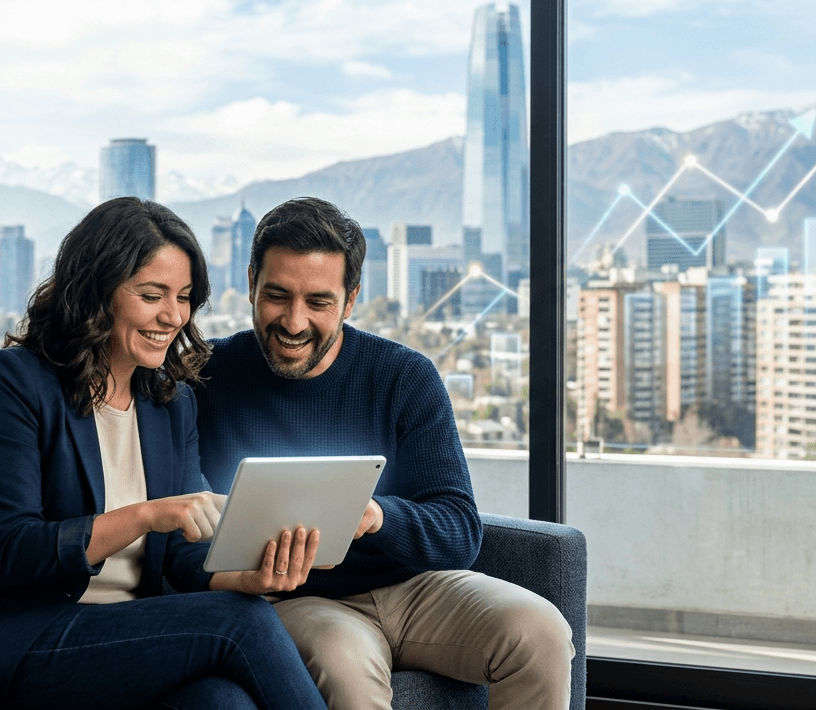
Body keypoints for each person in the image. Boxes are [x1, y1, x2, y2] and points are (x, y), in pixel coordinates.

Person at [0, 197, 328, 710]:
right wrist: (146, 516)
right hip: (9, 638)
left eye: (185, 297)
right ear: (97, 291)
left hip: (118, 633)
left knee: (221, 701)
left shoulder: (171, 402)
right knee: (242, 621)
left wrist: (249, 577)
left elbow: (183, 554)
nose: (173, 316)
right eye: (153, 295)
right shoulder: (12, 383)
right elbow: (10, 554)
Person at [195, 197, 575, 710]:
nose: (293, 321)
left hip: (418, 592)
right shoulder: (206, 378)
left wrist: (376, 516)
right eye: (277, 296)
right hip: (300, 601)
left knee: (541, 631)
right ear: (250, 284)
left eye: (319, 302)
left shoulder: (404, 376)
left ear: (350, 300)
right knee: (344, 666)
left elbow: (460, 530)